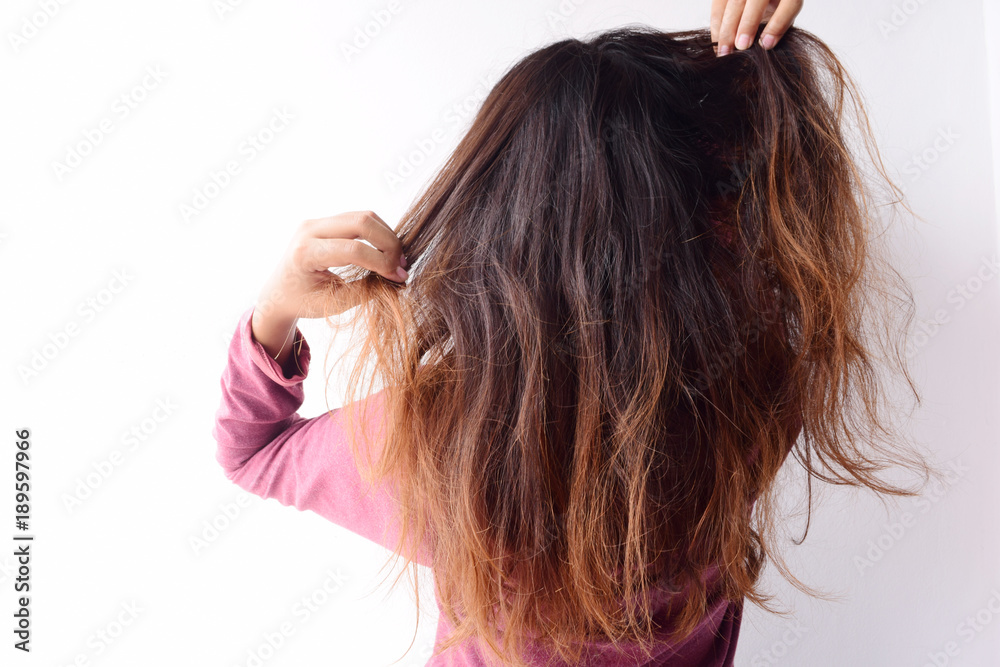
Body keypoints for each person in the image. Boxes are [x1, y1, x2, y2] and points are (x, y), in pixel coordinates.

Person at [212, 2, 939, 665]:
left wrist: (276, 308)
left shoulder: (434, 452)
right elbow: (783, 239)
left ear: (497, 236)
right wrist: (758, 63)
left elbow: (253, 453)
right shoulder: (758, 396)